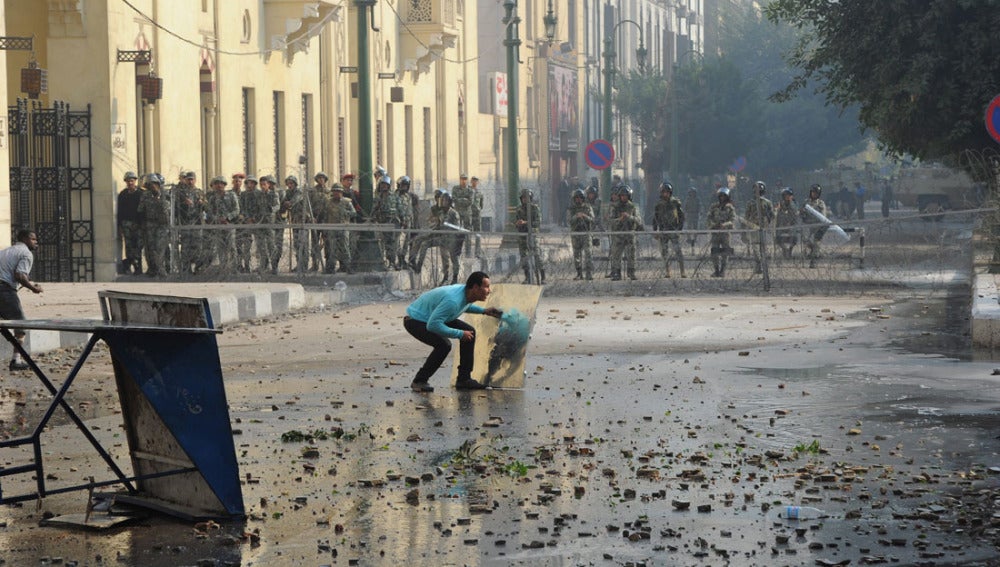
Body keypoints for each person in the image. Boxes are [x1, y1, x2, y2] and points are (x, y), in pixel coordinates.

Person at [403, 271, 503, 392]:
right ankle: (419, 381)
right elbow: (433, 325)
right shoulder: (453, 301)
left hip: (431, 316)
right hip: (416, 320)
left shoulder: (466, 293)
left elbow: (464, 305)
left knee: (469, 332)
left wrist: (484, 311)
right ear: (476, 288)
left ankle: (464, 379)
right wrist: (459, 334)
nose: (489, 290)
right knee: (443, 345)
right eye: (486, 287)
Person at [0, 229, 43, 371]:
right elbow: (19, 275)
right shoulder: (26, 253)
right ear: (24, 239)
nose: (36, 242)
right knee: (21, 326)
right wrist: (33, 288)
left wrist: (29, 283)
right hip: (4, 291)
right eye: (33, 239)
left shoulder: (6, 251)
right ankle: (16, 361)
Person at [204, 176, 240, 271]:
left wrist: (227, 217)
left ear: (224, 185)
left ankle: (234, 267)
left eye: (221, 184)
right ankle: (223, 267)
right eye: (216, 184)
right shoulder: (212, 198)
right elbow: (210, 212)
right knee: (220, 247)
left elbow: (236, 210)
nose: (219, 186)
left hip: (229, 225)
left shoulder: (231, 195)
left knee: (231, 247)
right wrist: (217, 219)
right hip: (218, 225)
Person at [137, 173, 170, 276]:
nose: (152, 186)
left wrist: (159, 198)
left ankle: (162, 269)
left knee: (160, 246)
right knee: (151, 247)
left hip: (163, 224)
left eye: (154, 184)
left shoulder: (165, 194)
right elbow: (140, 209)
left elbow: (168, 209)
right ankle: (153, 269)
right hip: (150, 224)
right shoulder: (145, 195)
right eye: (149, 185)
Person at [173, 171, 205, 274]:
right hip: (185, 223)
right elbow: (174, 207)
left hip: (196, 223)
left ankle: (198, 268)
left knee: (198, 247)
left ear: (195, 180)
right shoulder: (180, 193)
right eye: (188, 179)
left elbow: (207, 207)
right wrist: (183, 203)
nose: (190, 181)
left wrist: (202, 203)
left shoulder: (199, 192)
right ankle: (186, 269)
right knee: (185, 246)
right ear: (185, 180)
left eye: (192, 179)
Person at [652, 182, 686, 278]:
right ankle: (668, 271)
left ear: (670, 193)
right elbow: (655, 218)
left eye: (667, 192)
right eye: (664, 192)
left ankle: (682, 271)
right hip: (663, 230)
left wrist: (679, 228)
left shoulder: (675, 202)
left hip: (673, 229)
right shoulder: (659, 204)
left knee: (678, 251)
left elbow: (681, 216)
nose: (665, 194)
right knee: (664, 251)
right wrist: (655, 231)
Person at [608, 186, 642, 281]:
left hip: (630, 234)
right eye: (622, 196)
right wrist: (620, 219)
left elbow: (639, 220)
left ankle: (631, 272)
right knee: (616, 255)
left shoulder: (633, 207)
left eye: (626, 196)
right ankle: (616, 273)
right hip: (618, 235)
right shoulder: (615, 207)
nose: (624, 197)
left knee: (631, 255)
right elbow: (610, 221)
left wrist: (629, 217)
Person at [323, 183, 355, 273]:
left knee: (345, 248)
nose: (336, 193)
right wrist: (324, 229)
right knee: (332, 248)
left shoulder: (347, 202)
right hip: (332, 228)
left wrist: (345, 212)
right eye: (335, 191)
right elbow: (325, 215)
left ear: (342, 192)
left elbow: (354, 213)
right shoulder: (328, 202)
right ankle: (331, 268)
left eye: (338, 191)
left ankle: (348, 267)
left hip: (343, 228)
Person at [372, 174, 402, 269]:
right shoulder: (378, 197)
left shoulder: (394, 196)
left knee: (392, 243)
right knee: (382, 243)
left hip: (392, 222)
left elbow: (399, 208)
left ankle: (392, 262)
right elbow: (374, 209)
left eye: (385, 184)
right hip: (382, 222)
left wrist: (402, 219)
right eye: (382, 184)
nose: (383, 186)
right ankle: (383, 262)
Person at [744, 181, 774, 274]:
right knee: (755, 248)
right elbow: (747, 216)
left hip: (764, 228)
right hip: (753, 227)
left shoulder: (767, 203)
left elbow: (772, 215)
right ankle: (759, 264)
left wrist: (768, 222)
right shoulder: (750, 203)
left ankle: (762, 266)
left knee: (763, 248)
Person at [515, 189, 544, 284]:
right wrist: (518, 223)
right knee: (524, 257)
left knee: (537, 255)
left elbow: (537, 222)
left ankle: (542, 276)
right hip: (522, 235)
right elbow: (515, 221)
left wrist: (526, 223)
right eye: (523, 198)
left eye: (527, 198)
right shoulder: (519, 209)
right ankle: (528, 277)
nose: (525, 200)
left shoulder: (535, 208)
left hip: (533, 235)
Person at [117, 171, 143, 275]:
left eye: (131, 181)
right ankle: (130, 265)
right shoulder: (123, 194)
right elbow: (119, 211)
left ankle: (138, 267)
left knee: (138, 246)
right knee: (129, 246)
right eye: (128, 181)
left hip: (138, 224)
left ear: (135, 181)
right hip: (126, 224)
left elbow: (143, 210)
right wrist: (119, 225)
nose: (130, 183)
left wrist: (142, 223)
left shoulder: (141, 193)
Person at [565, 188, 595, 280]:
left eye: (580, 198)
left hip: (586, 233)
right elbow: (568, 221)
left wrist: (585, 216)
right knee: (576, 255)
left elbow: (592, 219)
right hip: (576, 234)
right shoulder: (571, 209)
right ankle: (579, 273)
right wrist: (576, 216)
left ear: (583, 198)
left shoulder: (588, 207)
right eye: (576, 198)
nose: (578, 200)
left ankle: (589, 273)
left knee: (588, 253)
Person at [707, 186, 736, 277]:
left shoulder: (730, 208)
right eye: (721, 196)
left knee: (725, 253)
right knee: (714, 252)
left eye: (724, 196)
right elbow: (708, 218)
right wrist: (713, 224)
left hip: (725, 233)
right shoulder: (714, 207)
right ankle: (716, 270)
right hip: (715, 233)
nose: (722, 198)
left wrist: (725, 225)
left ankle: (723, 270)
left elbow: (733, 220)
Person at [801, 184, 829, 268]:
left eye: (816, 193)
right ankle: (814, 250)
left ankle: (814, 260)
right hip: (808, 224)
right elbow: (802, 214)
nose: (814, 194)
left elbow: (823, 216)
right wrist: (802, 212)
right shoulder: (806, 202)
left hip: (818, 225)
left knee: (817, 242)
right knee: (805, 239)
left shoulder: (820, 203)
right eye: (813, 192)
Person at [308, 172, 331, 271]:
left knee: (327, 243)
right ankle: (315, 264)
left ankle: (329, 265)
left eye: (323, 178)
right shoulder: (312, 191)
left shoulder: (329, 192)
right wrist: (310, 217)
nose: (321, 180)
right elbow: (307, 205)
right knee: (315, 243)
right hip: (315, 219)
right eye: (319, 178)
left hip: (326, 220)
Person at [233, 173, 255, 273]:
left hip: (247, 224)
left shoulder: (246, 194)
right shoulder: (232, 194)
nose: (238, 183)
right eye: (236, 181)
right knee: (237, 247)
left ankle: (247, 265)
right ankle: (238, 265)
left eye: (239, 181)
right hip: (238, 224)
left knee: (247, 247)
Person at [451, 173, 474, 256]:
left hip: (467, 213)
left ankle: (468, 251)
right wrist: (464, 199)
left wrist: (460, 200)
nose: (464, 181)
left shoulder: (470, 190)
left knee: (467, 231)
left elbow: (470, 201)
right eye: (462, 179)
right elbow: (454, 199)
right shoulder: (455, 188)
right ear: (460, 180)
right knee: (457, 231)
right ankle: (457, 250)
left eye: (465, 179)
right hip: (458, 213)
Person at [774, 187, 800, 259]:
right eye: (786, 195)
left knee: (793, 237)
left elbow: (795, 214)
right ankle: (784, 249)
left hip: (792, 225)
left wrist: (790, 202)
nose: (787, 197)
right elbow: (777, 214)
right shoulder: (780, 204)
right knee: (778, 237)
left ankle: (790, 251)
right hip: (782, 225)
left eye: (789, 195)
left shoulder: (794, 204)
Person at [469, 175, 484, 257]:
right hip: (469, 214)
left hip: (477, 215)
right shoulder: (467, 191)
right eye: (473, 180)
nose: (474, 182)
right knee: (468, 234)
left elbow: (481, 205)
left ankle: (477, 252)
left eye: (476, 181)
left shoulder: (480, 193)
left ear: (477, 182)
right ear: (471, 181)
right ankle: (468, 252)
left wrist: (477, 210)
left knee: (477, 234)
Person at [684, 187, 701, 254]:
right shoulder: (687, 199)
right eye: (691, 192)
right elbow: (685, 207)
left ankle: (695, 238)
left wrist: (699, 212)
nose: (692, 194)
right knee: (689, 227)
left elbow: (699, 207)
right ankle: (688, 238)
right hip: (689, 214)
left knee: (695, 227)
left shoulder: (697, 199)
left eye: (693, 192)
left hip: (695, 214)